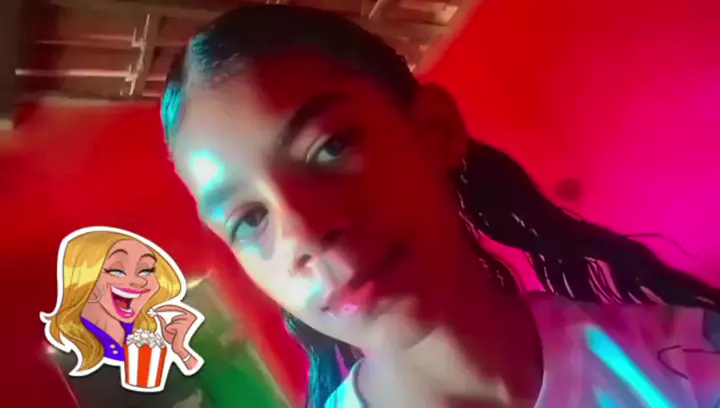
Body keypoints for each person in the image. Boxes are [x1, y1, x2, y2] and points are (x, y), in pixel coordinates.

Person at [159, 5, 720, 407]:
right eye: (250, 219)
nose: (302, 233)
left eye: (330, 146)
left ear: (435, 130)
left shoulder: (689, 361)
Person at [41, 227, 203, 377]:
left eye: (146, 271)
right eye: (117, 271)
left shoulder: (147, 333)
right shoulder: (67, 342)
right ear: (84, 278)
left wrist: (180, 350)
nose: (138, 281)